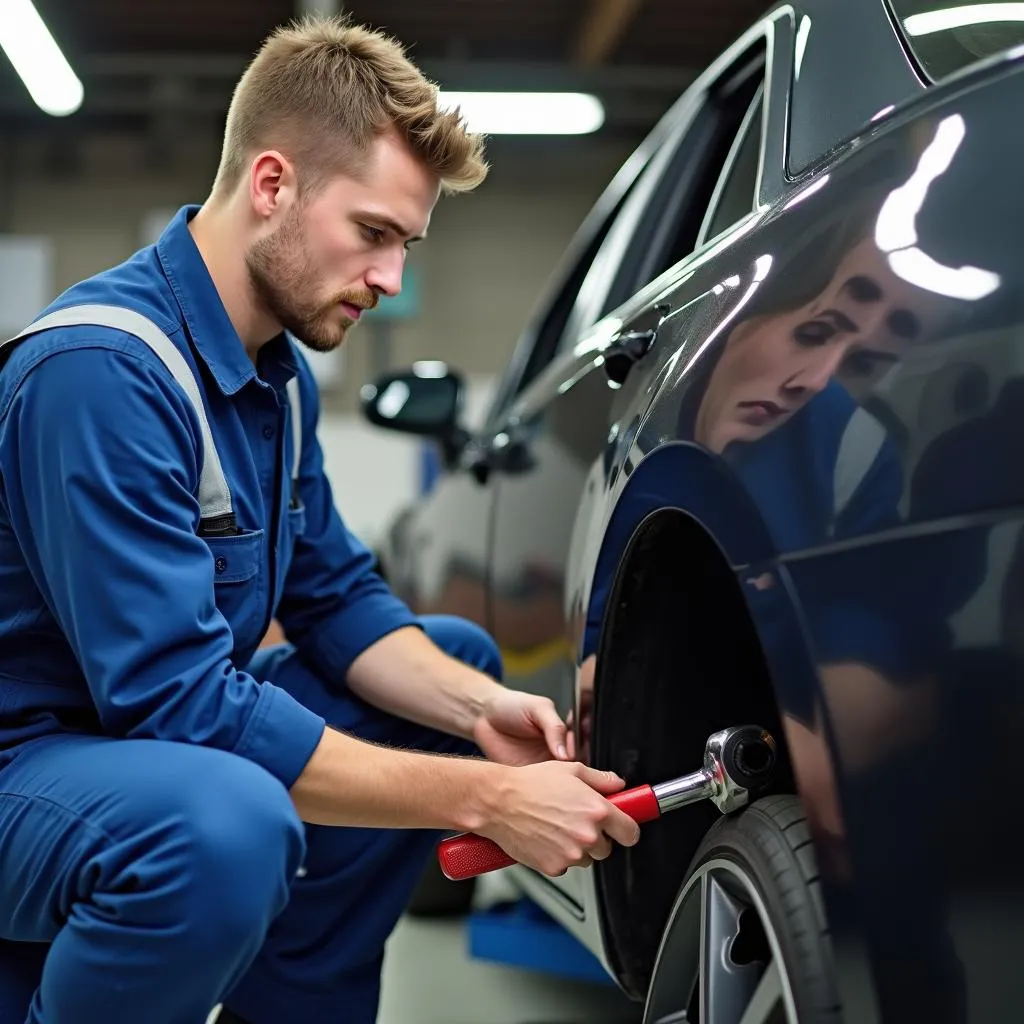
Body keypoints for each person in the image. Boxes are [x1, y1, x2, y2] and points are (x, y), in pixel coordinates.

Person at [0, 15, 641, 1024]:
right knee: (224, 825)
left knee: (453, 662)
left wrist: (479, 712)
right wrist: (483, 799)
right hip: (26, 767)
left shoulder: (277, 377)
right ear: (271, 186)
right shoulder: (101, 372)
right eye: (373, 234)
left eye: (406, 244)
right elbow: (178, 707)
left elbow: (334, 593)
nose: (390, 279)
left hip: (129, 755)